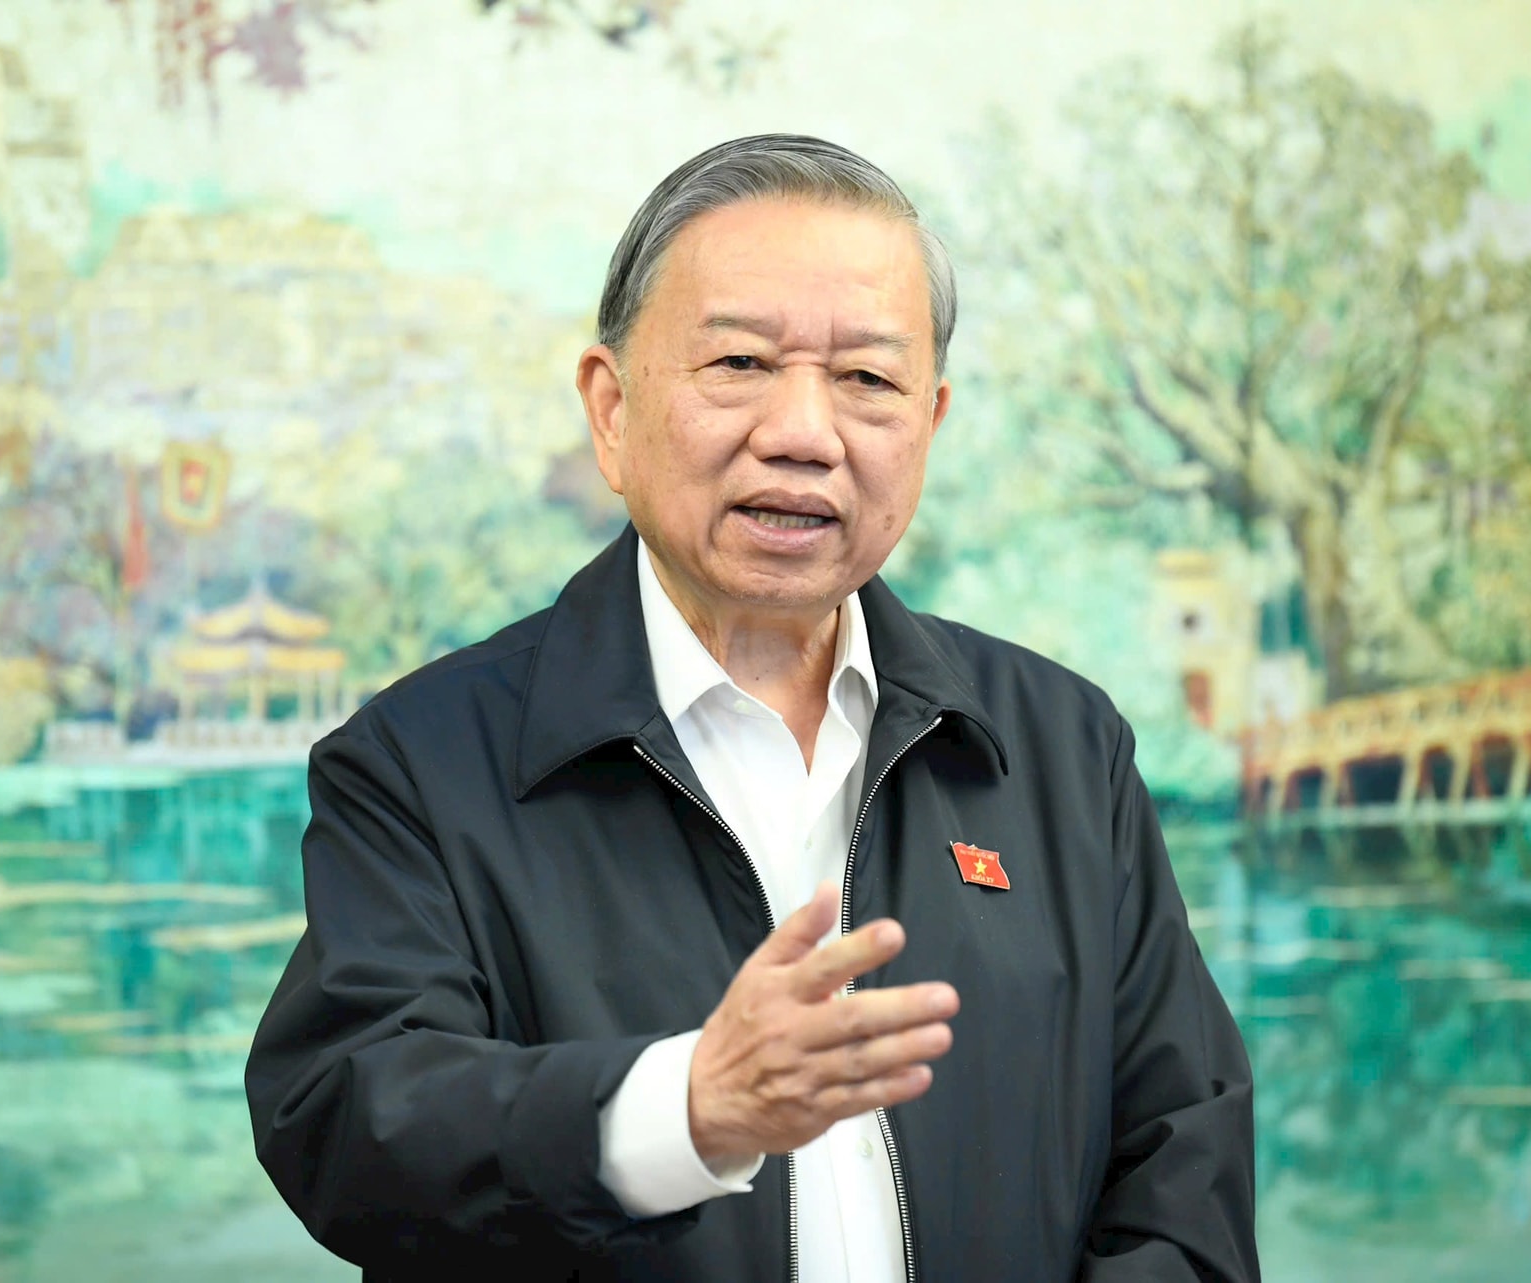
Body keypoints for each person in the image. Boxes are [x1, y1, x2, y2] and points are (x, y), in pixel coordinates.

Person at [246, 134, 1258, 1283]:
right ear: (612, 409)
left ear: (929, 423)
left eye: (867, 380)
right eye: (739, 362)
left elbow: (1185, 1169)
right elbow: (351, 1122)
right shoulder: (421, 762)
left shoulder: (1060, 745)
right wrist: (684, 1110)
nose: (804, 433)